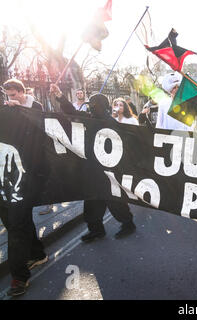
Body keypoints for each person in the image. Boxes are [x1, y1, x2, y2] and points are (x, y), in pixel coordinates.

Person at [50, 84, 137, 242]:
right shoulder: (88, 118)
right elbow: (71, 111)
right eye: (90, 105)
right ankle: (96, 230)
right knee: (91, 202)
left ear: (103, 107)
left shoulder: (110, 122)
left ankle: (128, 224)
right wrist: (60, 96)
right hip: (92, 169)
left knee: (115, 201)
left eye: (94, 106)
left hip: (108, 169)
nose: (91, 108)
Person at [1, 78, 48, 297]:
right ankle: (38, 254)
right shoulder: (6, 111)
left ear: (21, 92)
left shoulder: (34, 108)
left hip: (25, 176)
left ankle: (19, 277)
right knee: (14, 222)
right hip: (4, 178)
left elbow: (41, 134)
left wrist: (19, 111)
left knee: (17, 226)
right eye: (6, 96)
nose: (9, 99)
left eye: (12, 95)